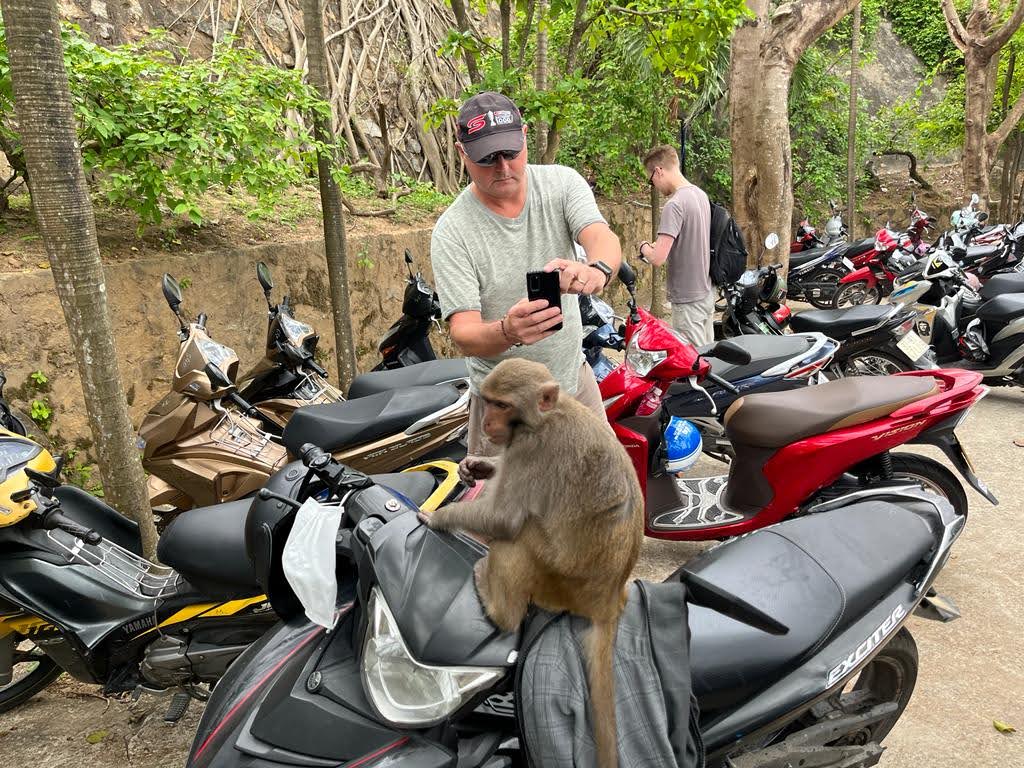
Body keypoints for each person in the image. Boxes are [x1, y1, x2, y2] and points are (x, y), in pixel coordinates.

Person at [430, 91, 622, 458]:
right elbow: (464, 333)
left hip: (573, 382)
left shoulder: (562, 184)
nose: (503, 167)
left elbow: (601, 236)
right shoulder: (453, 231)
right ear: (462, 153)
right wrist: (508, 331)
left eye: (510, 152)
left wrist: (596, 271)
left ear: (525, 137)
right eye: (487, 158)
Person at [638, 145, 713, 346]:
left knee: (693, 360)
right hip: (706, 292)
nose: (654, 185)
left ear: (658, 171)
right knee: (709, 356)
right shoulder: (700, 195)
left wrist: (644, 247)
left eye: (651, 180)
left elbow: (657, 258)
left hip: (687, 299)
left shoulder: (675, 204)